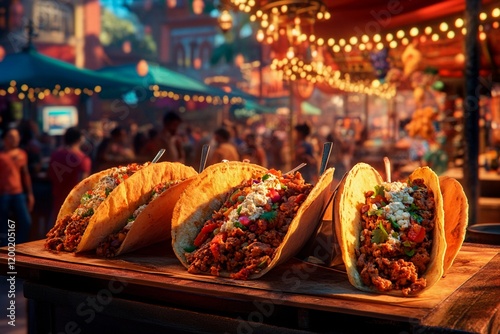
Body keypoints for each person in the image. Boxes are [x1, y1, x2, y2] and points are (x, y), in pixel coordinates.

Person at [48, 127, 91, 226]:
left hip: (57, 199)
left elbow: (50, 175)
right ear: (80, 139)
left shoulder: (55, 155)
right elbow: (84, 185)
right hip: (74, 204)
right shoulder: (83, 159)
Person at [0, 128, 34, 245]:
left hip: (18, 193)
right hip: (3, 194)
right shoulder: (1, 155)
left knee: (26, 222)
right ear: (4, 139)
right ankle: (6, 249)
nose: (14, 139)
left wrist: (30, 194)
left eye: (16, 136)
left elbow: (25, 174)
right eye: (11, 136)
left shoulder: (22, 154)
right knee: (4, 225)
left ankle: (18, 247)